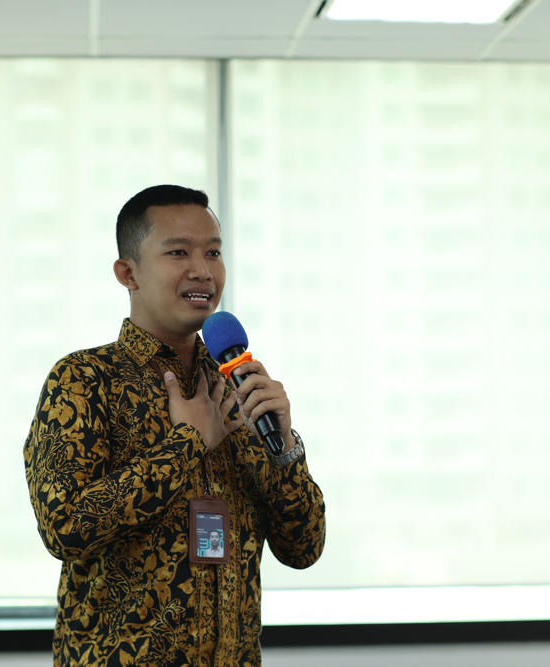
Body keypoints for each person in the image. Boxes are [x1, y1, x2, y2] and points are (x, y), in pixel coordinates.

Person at [23, 184, 326, 666]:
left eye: (213, 253)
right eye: (178, 252)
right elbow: (65, 528)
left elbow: (303, 548)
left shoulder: (237, 386)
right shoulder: (84, 379)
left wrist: (284, 445)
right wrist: (187, 443)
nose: (202, 270)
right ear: (128, 273)